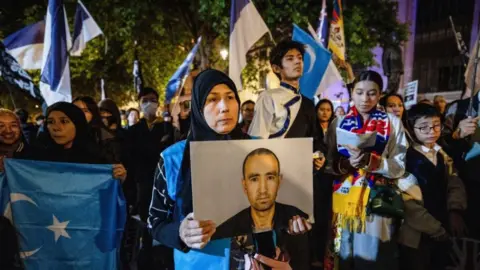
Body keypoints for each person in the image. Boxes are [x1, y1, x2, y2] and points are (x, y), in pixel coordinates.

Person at [148, 69, 309, 270]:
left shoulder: (262, 151)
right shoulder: (173, 159)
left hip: (263, 262)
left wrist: (292, 222)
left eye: (230, 97)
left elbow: (279, 208)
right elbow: (155, 222)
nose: (224, 107)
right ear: (198, 107)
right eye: (212, 100)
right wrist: (180, 232)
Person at [324, 70, 408, 270]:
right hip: (344, 201)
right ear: (352, 92)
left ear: (380, 95)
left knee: (372, 259)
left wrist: (374, 162)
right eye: (359, 92)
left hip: (376, 201)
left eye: (372, 93)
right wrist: (347, 164)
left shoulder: (392, 123)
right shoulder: (339, 123)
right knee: (343, 255)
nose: (365, 98)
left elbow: (399, 166)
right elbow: (329, 164)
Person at [398, 103, 467, 270]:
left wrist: (454, 210)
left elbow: (454, 182)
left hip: (443, 224)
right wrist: (436, 230)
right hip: (418, 233)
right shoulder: (405, 159)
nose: (432, 131)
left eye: (436, 125)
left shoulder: (442, 153)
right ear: (410, 127)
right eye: (423, 127)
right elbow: (409, 204)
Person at [33, 102, 127, 179]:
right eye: (51, 122)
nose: (56, 128)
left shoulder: (97, 157)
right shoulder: (38, 159)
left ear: (77, 124)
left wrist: (119, 176)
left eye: (64, 121)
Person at [248, 40, 316, 140]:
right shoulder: (267, 97)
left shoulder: (308, 104)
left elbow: (315, 139)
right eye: (290, 59)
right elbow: (258, 136)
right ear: (276, 68)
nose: (297, 61)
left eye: (300, 58)